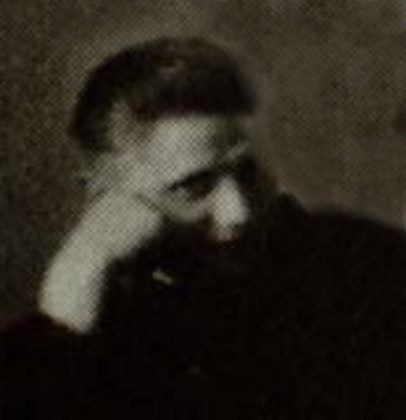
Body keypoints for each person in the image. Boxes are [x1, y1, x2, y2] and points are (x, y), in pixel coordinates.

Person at [2, 37, 406, 419]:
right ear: (105, 197)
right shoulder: (82, 324)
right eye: (192, 187)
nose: (238, 212)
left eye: (247, 172)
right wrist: (78, 279)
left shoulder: (371, 269)